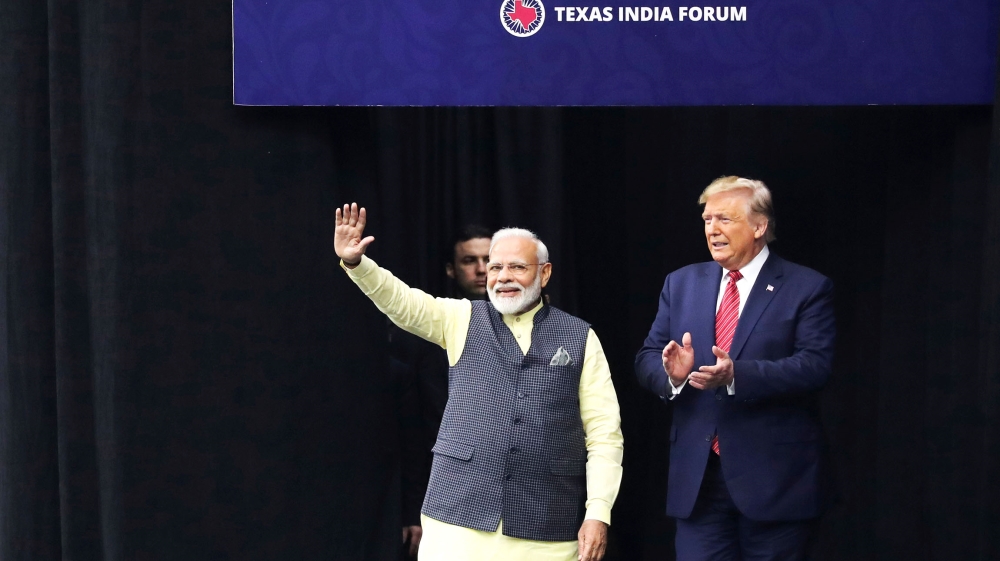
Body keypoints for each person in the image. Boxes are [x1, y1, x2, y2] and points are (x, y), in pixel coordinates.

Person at [336, 203, 623, 561]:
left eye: (517, 267)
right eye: (496, 267)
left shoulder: (579, 336)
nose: (502, 276)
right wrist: (357, 264)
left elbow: (603, 433)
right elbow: (403, 302)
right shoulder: (461, 317)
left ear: (545, 273)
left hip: (546, 525)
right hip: (457, 520)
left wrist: (598, 512)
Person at [634, 177, 836, 561]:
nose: (712, 229)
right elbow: (647, 356)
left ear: (759, 227)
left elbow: (815, 366)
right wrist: (672, 377)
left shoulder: (806, 287)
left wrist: (736, 375)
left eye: (724, 219)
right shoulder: (681, 283)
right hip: (699, 480)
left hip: (776, 481)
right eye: (708, 219)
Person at [393, 225, 492, 557]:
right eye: (469, 260)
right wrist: (413, 510)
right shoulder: (427, 334)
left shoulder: (538, 329)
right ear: (451, 269)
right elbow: (413, 429)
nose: (481, 269)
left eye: (489, 260)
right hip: (448, 497)